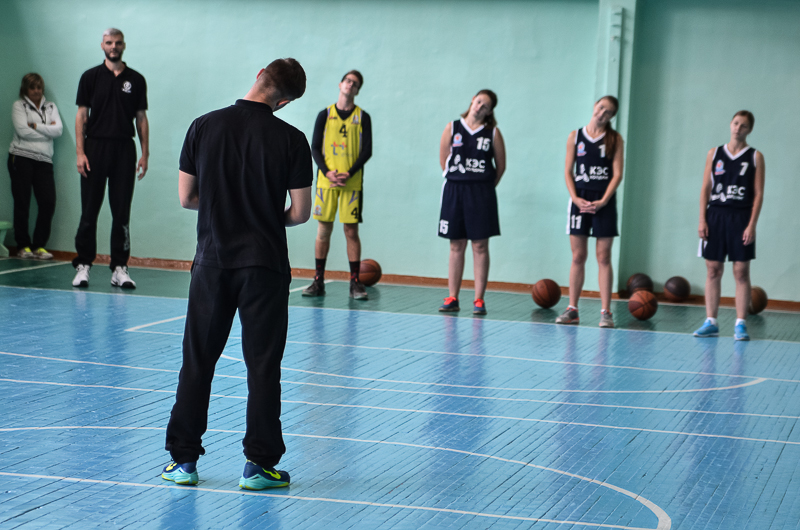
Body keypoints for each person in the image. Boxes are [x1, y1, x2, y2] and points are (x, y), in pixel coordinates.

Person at [162, 58, 312, 490]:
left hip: (212, 262)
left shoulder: (203, 126)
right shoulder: (292, 139)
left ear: (260, 74)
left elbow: (187, 198)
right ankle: (259, 466)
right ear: (284, 101)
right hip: (265, 266)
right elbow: (301, 213)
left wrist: (223, 207)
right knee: (263, 366)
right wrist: (261, 213)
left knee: (198, 361)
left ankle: (184, 462)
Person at [72, 28, 148, 289]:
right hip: (94, 149)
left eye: (117, 42)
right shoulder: (90, 77)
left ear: (123, 45)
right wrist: (80, 153)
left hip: (124, 150)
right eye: (109, 42)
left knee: (121, 213)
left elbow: (141, 118)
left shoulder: (136, 79)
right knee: (89, 211)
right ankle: (83, 265)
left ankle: (119, 268)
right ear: (102, 45)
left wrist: (145, 153)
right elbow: (82, 116)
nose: (113, 46)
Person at [302, 70, 373, 300]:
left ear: (357, 90)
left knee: (351, 231)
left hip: (351, 183)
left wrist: (349, 173)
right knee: (323, 230)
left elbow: (367, 150)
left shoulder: (363, 117)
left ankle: (355, 283)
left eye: (355, 83)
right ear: (340, 84)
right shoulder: (325, 114)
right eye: (348, 81)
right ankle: (318, 280)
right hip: (327, 182)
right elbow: (314, 147)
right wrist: (327, 172)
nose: (351, 85)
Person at [694, 111, 764, 341]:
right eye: (735, 123)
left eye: (743, 126)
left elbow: (758, 194)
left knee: (741, 271)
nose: (738, 128)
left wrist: (752, 225)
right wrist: (702, 219)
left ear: (749, 130)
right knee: (713, 269)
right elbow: (705, 189)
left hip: (741, 217)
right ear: (730, 124)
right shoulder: (714, 153)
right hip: (715, 215)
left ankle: (740, 324)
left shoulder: (755, 157)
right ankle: (711, 322)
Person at [556, 95, 624, 328]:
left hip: (604, 201)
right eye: (601, 107)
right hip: (580, 200)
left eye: (608, 112)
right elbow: (568, 171)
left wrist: (604, 200)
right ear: (595, 106)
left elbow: (617, 174)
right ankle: (572, 309)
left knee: (603, 257)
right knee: (578, 256)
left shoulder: (615, 139)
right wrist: (575, 198)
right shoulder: (575, 137)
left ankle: (606, 312)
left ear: (612, 116)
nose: (602, 113)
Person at [437, 89, 506, 315]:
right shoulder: (452, 127)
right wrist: (459, 179)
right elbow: (443, 160)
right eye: (478, 102)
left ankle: (479, 299)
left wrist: (484, 187)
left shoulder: (492, 133)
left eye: (485, 106)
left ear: (489, 112)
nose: (479, 107)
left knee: (480, 245)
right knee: (456, 244)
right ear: (472, 101)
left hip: (481, 192)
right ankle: (452, 297)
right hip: (455, 190)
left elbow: (501, 166)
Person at [8, 73, 62, 259]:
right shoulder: (19, 106)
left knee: (48, 203)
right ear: (25, 89)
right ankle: (23, 246)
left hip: (44, 160)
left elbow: (58, 130)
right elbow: (22, 131)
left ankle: (39, 246)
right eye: (32, 88)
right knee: (22, 202)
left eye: (39, 87)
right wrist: (48, 132)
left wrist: (36, 126)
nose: (36, 91)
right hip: (21, 158)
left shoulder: (50, 107)